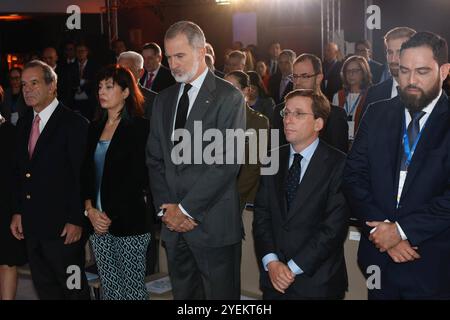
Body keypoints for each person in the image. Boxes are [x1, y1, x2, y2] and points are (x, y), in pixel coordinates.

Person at [343, 31, 450, 299]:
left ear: (444, 71)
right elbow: (353, 176)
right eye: (404, 71)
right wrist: (384, 234)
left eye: (422, 71)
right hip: (379, 261)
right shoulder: (377, 113)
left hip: (432, 265)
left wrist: (402, 232)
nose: (411, 81)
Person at [146, 20, 245, 300]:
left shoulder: (228, 97)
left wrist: (186, 211)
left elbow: (226, 162)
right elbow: (154, 160)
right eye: (169, 56)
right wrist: (168, 212)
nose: (173, 64)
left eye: (180, 56)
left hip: (212, 225)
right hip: (174, 228)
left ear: (201, 52)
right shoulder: (163, 100)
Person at [253, 89, 349, 299]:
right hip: (274, 279)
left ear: (318, 124)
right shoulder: (272, 158)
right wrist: (272, 263)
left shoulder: (339, 164)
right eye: (286, 113)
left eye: (298, 114)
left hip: (317, 282)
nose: (288, 120)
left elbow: (333, 229)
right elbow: (262, 215)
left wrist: (291, 269)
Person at [10, 60, 90, 300]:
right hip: (33, 227)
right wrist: (18, 211)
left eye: (34, 83)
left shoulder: (74, 124)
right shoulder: (24, 124)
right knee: (46, 291)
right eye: (23, 84)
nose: (27, 89)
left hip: (64, 230)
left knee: (73, 291)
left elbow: (81, 176)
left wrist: (76, 219)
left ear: (52, 85)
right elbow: (20, 173)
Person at [81, 65, 151, 300]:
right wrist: (90, 209)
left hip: (128, 221)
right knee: (110, 289)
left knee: (132, 291)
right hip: (96, 221)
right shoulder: (94, 127)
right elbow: (85, 174)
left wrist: (108, 215)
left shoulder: (140, 128)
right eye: (100, 87)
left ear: (125, 92)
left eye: (109, 87)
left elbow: (137, 179)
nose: (102, 91)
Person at [273, 53, 349, 153]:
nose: (298, 82)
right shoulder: (279, 111)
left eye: (304, 76)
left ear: (318, 78)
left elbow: (339, 161)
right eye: (295, 76)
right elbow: (274, 155)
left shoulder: (335, 115)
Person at [224, 70, 270, 212]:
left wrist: (229, 196)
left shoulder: (258, 121)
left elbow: (253, 167)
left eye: (232, 88)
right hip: (216, 199)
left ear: (246, 91)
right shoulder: (216, 119)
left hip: (243, 200)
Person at [0, 113, 27, 300]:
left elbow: (19, 175)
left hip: (5, 207)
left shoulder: (10, 133)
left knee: (6, 262)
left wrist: (17, 211)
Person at [361, 27, 416, 116]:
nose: (393, 59)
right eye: (390, 52)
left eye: (399, 52)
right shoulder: (374, 94)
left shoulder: (430, 92)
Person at [332, 55, 372, 139]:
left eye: (355, 70)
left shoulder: (371, 95)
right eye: (348, 71)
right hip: (341, 142)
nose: (351, 74)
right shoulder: (338, 96)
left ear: (364, 72)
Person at [118, 51, 157, 120]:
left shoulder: (154, 100)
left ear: (140, 73)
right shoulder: (108, 95)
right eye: (119, 70)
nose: (122, 75)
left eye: (128, 71)